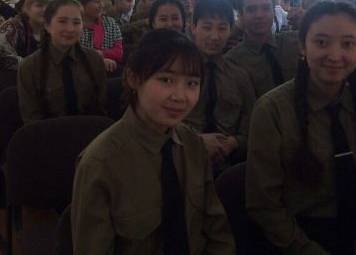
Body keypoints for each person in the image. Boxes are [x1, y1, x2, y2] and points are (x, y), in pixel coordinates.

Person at [71, 29, 235, 255]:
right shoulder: (100, 163)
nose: (180, 96)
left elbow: (216, 229)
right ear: (133, 79)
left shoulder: (192, 144)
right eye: (166, 80)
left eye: (191, 83)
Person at [247, 1, 356, 254]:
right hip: (297, 238)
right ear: (303, 46)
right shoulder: (272, 110)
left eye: (348, 44)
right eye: (322, 42)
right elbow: (264, 204)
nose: (335, 56)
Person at [184, 0, 254, 170]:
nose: (214, 36)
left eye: (222, 28)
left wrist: (233, 142)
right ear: (193, 28)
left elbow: (252, 126)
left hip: (227, 164)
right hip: (181, 158)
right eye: (207, 27)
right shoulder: (176, 71)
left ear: (230, 30)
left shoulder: (239, 76)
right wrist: (196, 140)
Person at [17, 0, 107, 123]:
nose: (70, 29)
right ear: (47, 25)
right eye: (62, 21)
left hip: (90, 131)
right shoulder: (29, 67)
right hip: (46, 132)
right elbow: (32, 119)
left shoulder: (94, 60)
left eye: (76, 22)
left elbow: (100, 108)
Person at [225, 0, 300, 98]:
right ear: (241, 15)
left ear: (274, 11)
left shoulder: (294, 42)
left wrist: (306, 20)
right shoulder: (232, 62)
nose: (259, 15)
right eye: (251, 9)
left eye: (266, 8)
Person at [72, 0, 123, 74]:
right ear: (81, 3)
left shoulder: (110, 23)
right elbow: (71, 53)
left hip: (107, 71)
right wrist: (97, 59)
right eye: (97, 1)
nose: (101, 6)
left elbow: (118, 53)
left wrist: (98, 54)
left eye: (102, 1)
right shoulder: (72, 24)